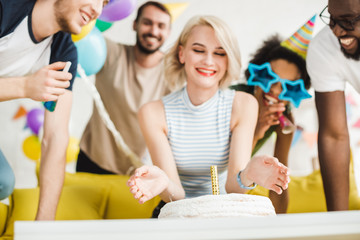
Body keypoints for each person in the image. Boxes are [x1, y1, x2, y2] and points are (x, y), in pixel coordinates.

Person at [127, 15, 290, 217]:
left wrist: (249, 174)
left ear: (228, 59)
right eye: (198, 50)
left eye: (220, 53)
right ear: (181, 54)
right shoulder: (152, 113)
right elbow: (176, 196)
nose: (208, 61)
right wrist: (164, 182)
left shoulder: (244, 104)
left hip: (224, 213)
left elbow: (233, 187)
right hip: (177, 215)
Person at [0, 0, 108, 220]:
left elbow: (55, 136)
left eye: (104, 3)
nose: (98, 9)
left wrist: (44, 224)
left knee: (3, 181)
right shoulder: (6, 8)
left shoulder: (64, 53)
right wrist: (25, 86)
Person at [76, 1, 171, 175]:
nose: (153, 31)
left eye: (161, 26)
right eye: (147, 22)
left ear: (168, 32)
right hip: (92, 158)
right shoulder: (109, 52)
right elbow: (78, 32)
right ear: (135, 24)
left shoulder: (174, 72)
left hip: (136, 170)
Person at [230, 32, 312, 213]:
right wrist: (256, 131)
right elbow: (224, 173)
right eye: (270, 78)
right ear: (257, 73)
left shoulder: (285, 121)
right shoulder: (234, 99)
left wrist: (278, 229)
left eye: (288, 86)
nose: (275, 90)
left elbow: (280, 184)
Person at [307, 0, 360, 211]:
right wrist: (338, 221)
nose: (337, 31)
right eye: (332, 18)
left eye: (347, 21)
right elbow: (334, 135)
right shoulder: (325, 47)